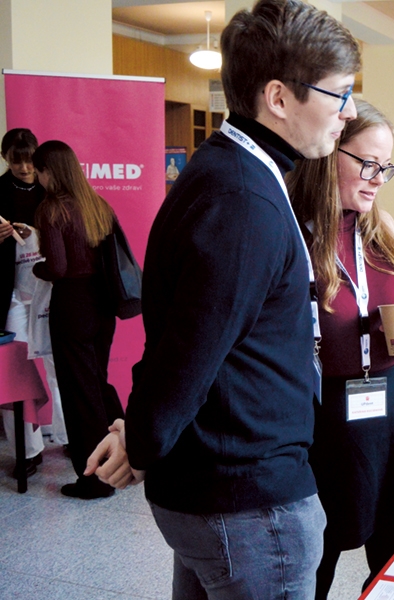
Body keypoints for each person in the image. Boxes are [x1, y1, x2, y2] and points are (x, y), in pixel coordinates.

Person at [86, 0, 361, 596]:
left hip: (221, 489)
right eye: (339, 94)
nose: (349, 111)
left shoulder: (232, 171)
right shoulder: (241, 201)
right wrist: (143, 436)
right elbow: (190, 350)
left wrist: (142, 432)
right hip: (246, 504)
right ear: (280, 98)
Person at [288, 99, 394, 599]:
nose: (377, 178)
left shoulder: (381, 229)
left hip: (388, 397)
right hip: (326, 410)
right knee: (319, 545)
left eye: (385, 167)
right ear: (329, 154)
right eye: (367, 164)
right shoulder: (294, 235)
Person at [30, 140, 123, 499]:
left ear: (49, 171)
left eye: (39, 171)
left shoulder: (51, 209)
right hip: (103, 304)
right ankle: (124, 459)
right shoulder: (97, 204)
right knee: (97, 383)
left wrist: (35, 267)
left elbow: (57, 267)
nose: (38, 178)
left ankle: (93, 479)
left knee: (79, 392)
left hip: (72, 305)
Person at [1, 129, 47, 476]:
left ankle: (68, 435)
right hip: (11, 293)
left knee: (60, 369)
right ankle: (27, 451)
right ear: (6, 158)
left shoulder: (52, 187)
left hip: (52, 289)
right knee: (14, 369)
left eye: (29, 159)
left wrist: (40, 234)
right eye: (16, 161)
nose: (24, 167)